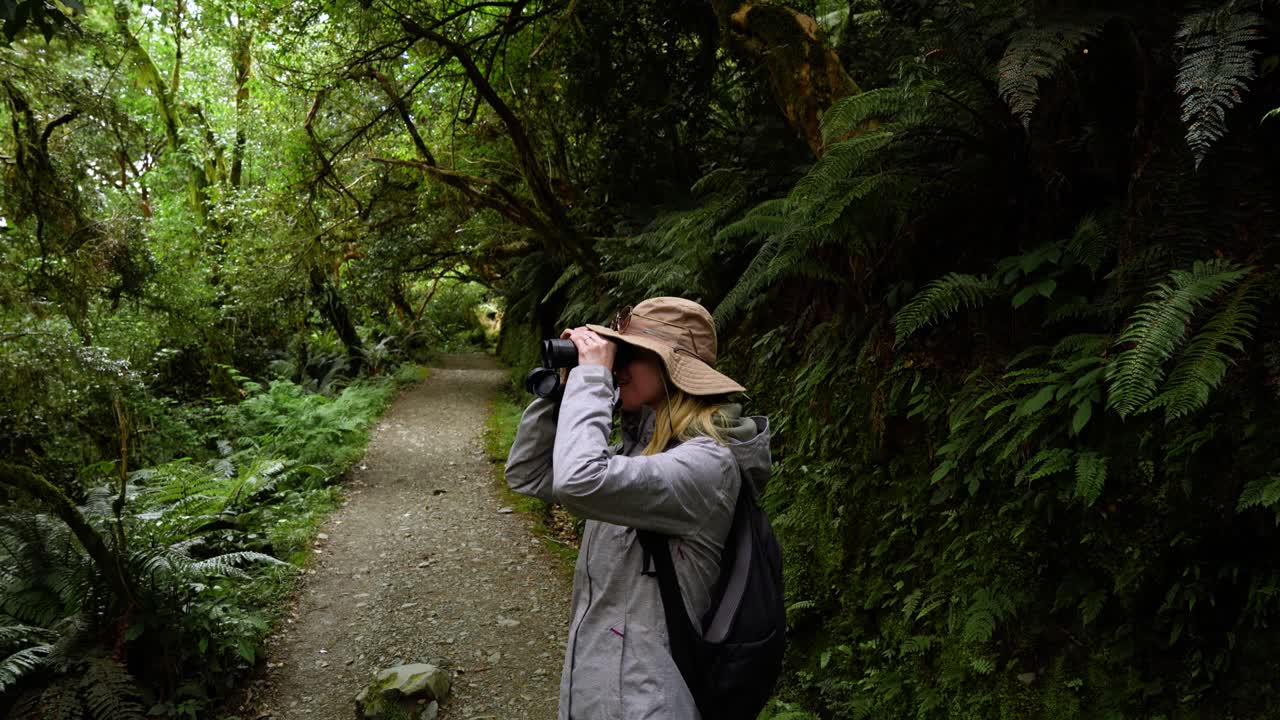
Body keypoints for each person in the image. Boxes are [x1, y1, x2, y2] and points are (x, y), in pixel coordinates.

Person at [504, 296, 773, 720]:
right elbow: (529, 473)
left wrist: (592, 380)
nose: (617, 365)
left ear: (673, 370)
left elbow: (578, 481)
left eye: (630, 354)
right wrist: (563, 390)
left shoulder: (706, 466)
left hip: (649, 703)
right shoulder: (638, 453)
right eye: (616, 354)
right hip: (596, 692)